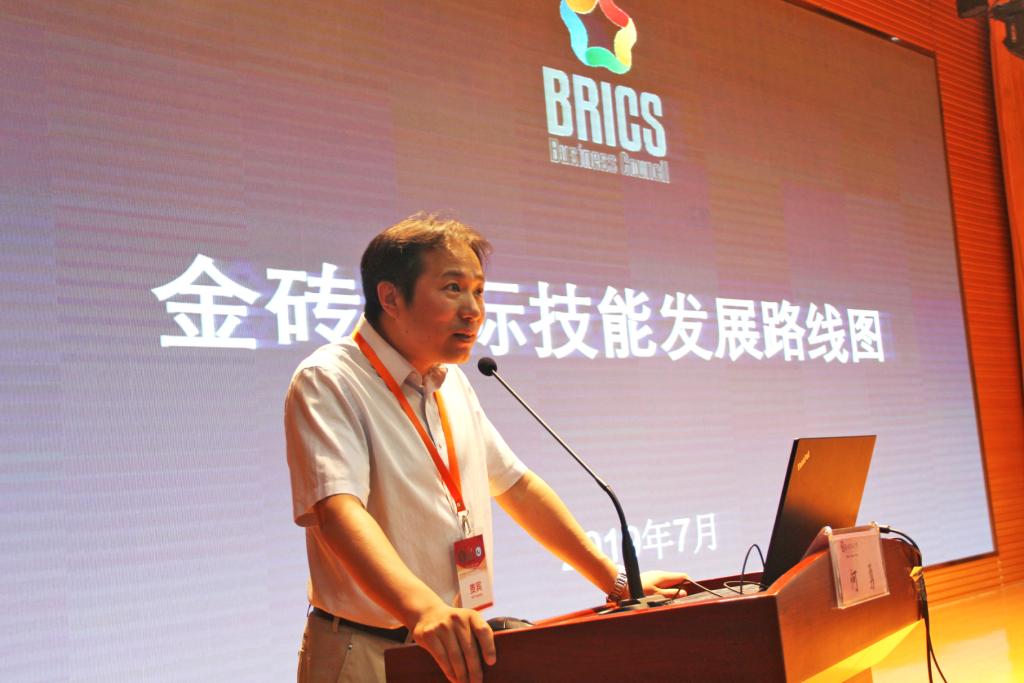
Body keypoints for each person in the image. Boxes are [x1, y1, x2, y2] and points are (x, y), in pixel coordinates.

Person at [285, 212, 686, 683]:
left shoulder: (449, 380)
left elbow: (516, 486)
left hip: (454, 644)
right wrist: (423, 610)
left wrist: (615, 581)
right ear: (390, 297)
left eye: (478, 291)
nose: (473, 309)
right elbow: (337, 512)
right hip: (368, 650)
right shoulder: (330, 379)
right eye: (453, 288)